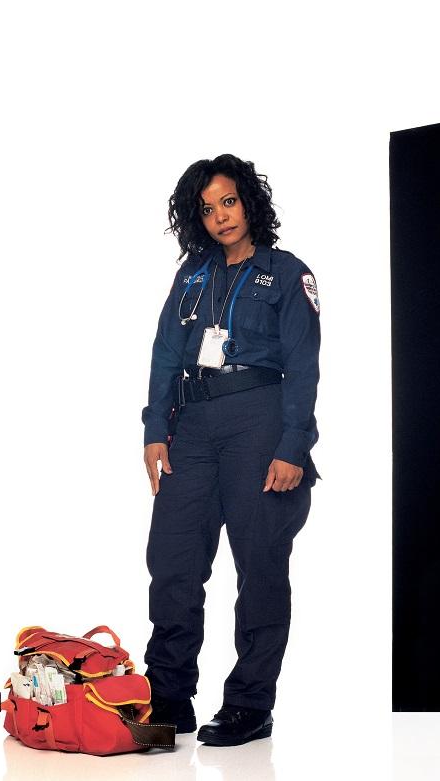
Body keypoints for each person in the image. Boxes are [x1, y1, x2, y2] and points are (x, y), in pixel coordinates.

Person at [141, 153, 321, 747]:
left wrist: (294, 444)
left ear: (249, 202)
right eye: (207, 208)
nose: (220, 216)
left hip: (259, 421)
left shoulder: (286, 273)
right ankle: (168, 696)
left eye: (229, 201)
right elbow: (167, 352)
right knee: (173, 561)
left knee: (260, 566)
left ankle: (249, 704)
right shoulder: (191, 275)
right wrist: (154, 430)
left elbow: (303, 366)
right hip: (192, 424)